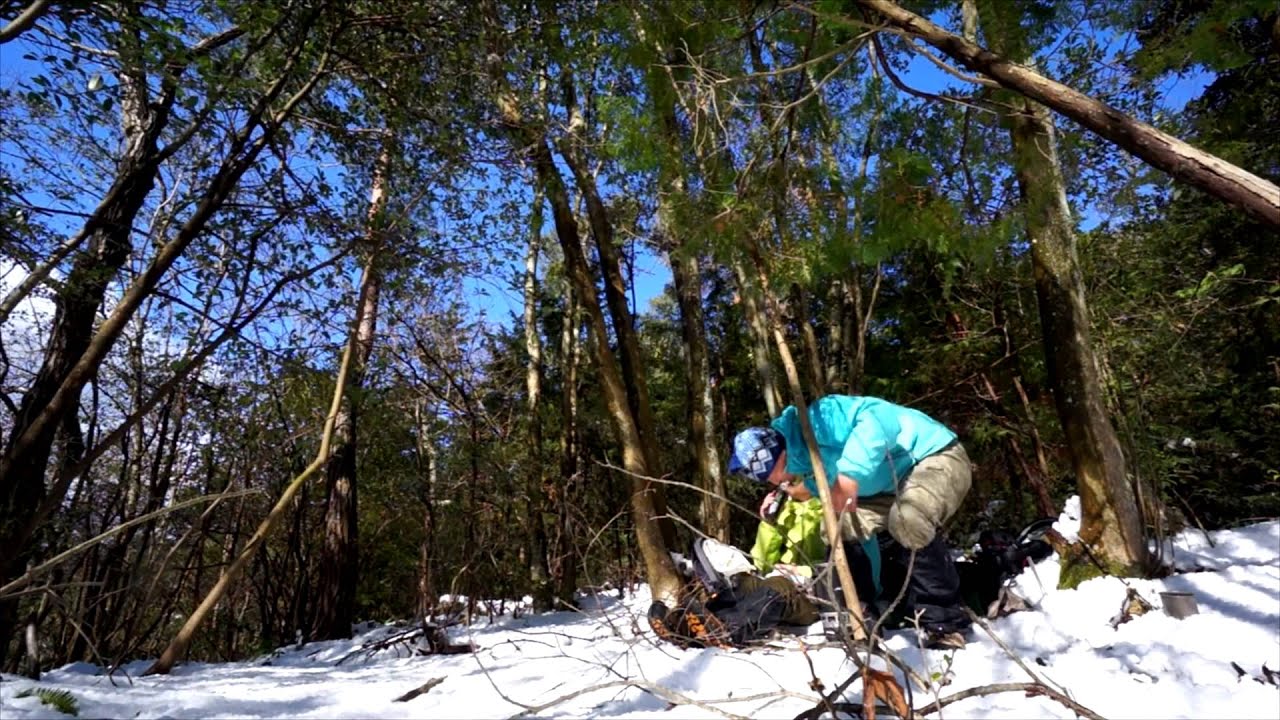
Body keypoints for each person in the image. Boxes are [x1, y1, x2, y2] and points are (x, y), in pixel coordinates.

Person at [727, 394, 973, 649]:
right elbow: (816, 494)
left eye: (763, 476)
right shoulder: (806, 469)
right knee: (838, 527)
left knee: (908, 520)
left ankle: (944, 623)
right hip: (886, 489)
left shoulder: (819, 418)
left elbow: (881, 419)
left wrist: (849, 475)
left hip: (932, 457)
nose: (770, 482)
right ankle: (861, 614)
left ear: (771, 460)